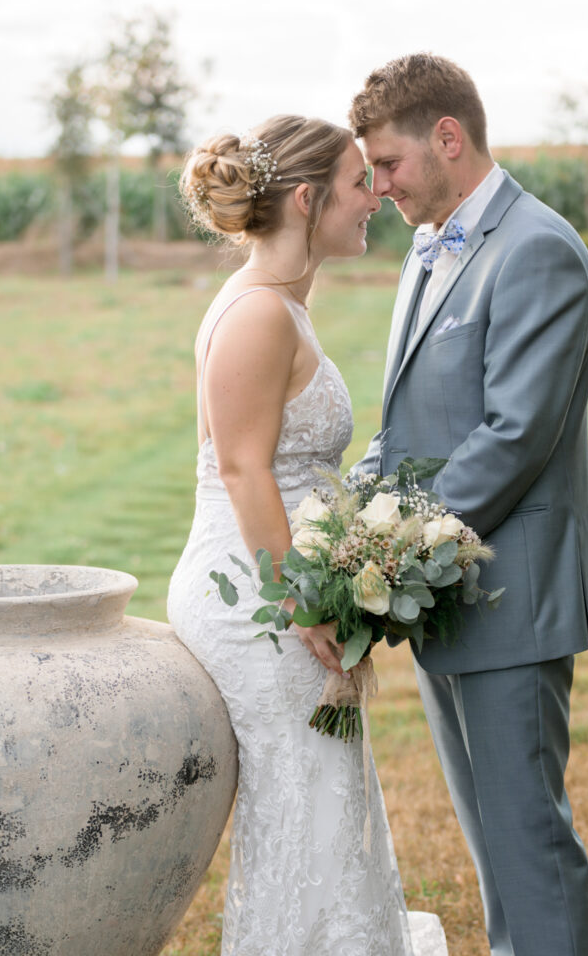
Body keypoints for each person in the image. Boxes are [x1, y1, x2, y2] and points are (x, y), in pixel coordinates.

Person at [167, 115, 447, 956]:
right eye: (361, 182)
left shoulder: (284, 302)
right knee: (306, 800)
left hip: (282, 576)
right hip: (257, 595)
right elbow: (244, 472)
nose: (376, 196)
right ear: (305, 199)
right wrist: (304, 606)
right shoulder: (258, 314)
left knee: (326, 798)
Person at [349, 53, 588, 956]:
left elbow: (512, 438)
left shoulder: (537, 248)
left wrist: (386, 554)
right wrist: (354, 512)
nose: (378, 188)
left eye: (388, 165)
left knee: (529, 841)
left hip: (511, 598)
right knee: (492, 844)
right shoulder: (434, 247)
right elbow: (409, 421)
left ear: (448, 138)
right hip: (446, 594)